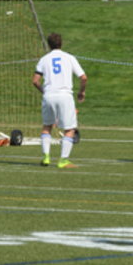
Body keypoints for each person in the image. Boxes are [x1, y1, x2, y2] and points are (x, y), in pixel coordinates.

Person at [32, 32, 87, 169]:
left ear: (49, 45)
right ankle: (63, 160)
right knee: (69, 128)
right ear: (61, 43)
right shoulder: (69, 58)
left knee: (47, 126)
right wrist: (81, 92)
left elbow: (35, 81)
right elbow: (83, 77)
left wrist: (45, 91)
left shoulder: (44, 59)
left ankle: (46, 157)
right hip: (65, 96)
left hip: (49, 96)